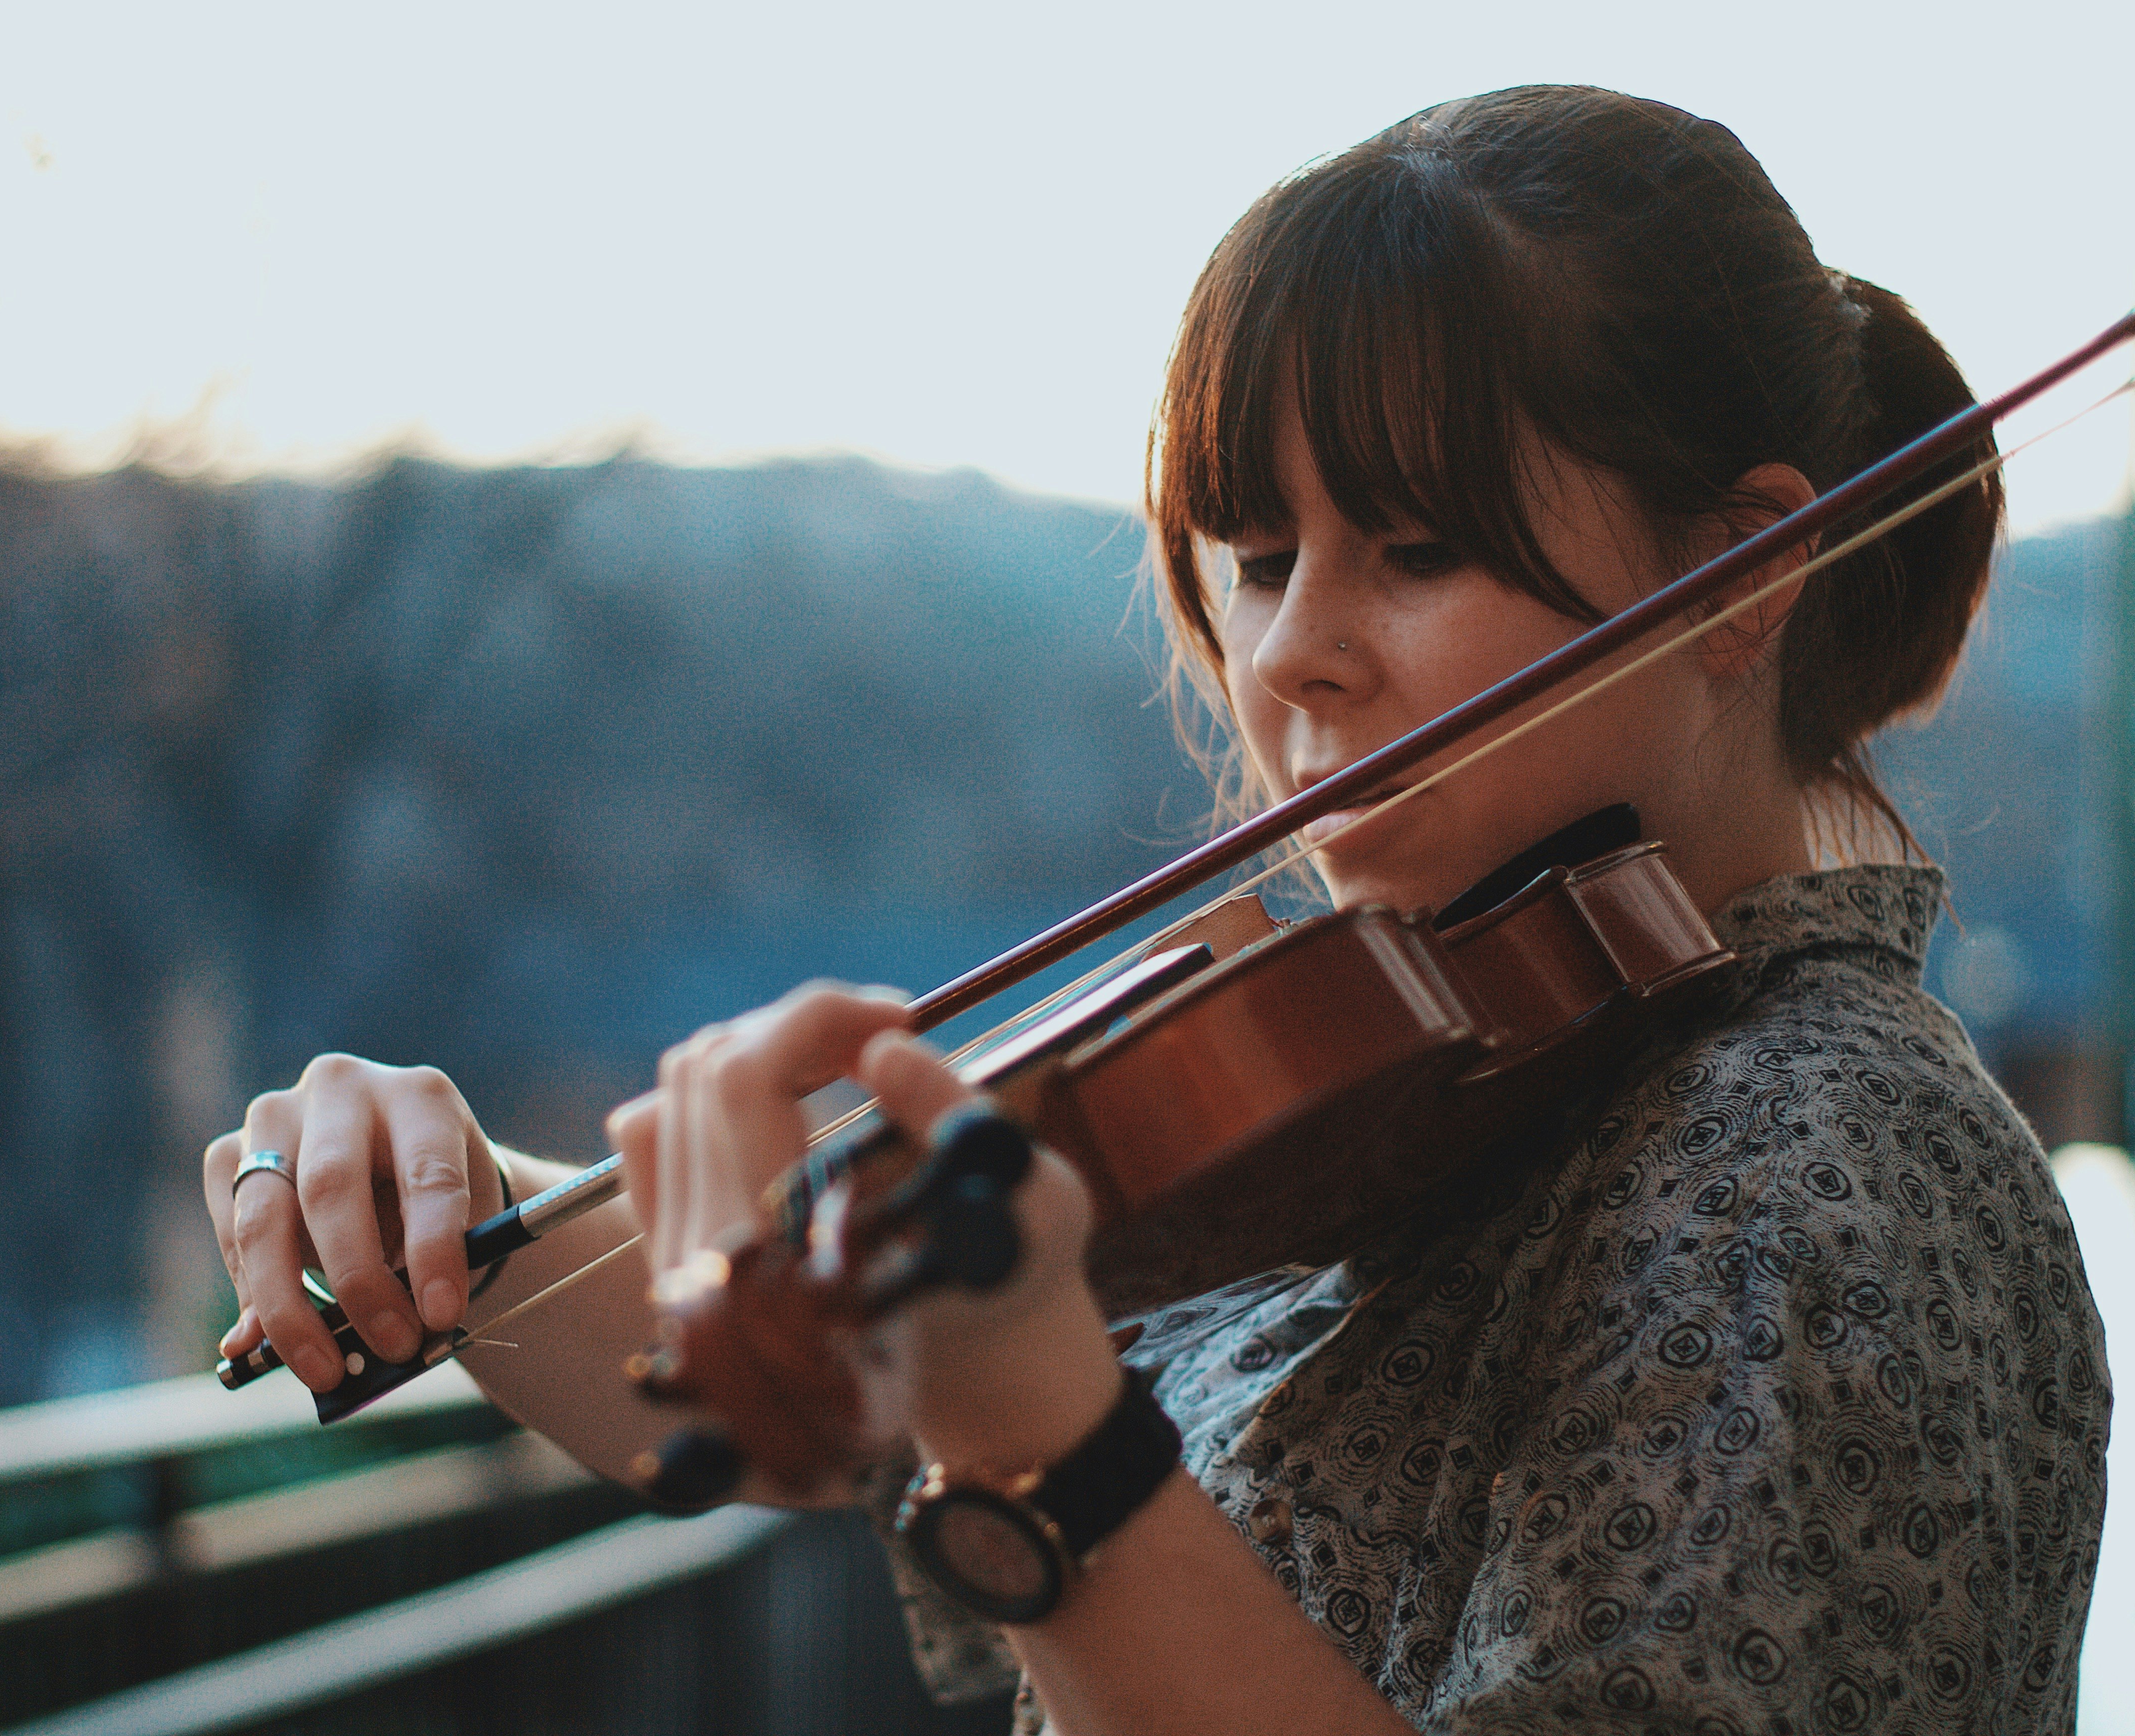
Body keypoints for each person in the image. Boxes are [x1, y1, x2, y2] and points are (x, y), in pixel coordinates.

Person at [203, 85, 2108, 1734]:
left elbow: (1025, 1452)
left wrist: (1051, 1451)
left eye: (1415, 550)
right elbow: (789, 1406)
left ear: (1734, 574)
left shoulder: (1822, 1164)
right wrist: (465, 1217)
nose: (1292, 659)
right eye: (1259, 559)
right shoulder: (1453, 1080)